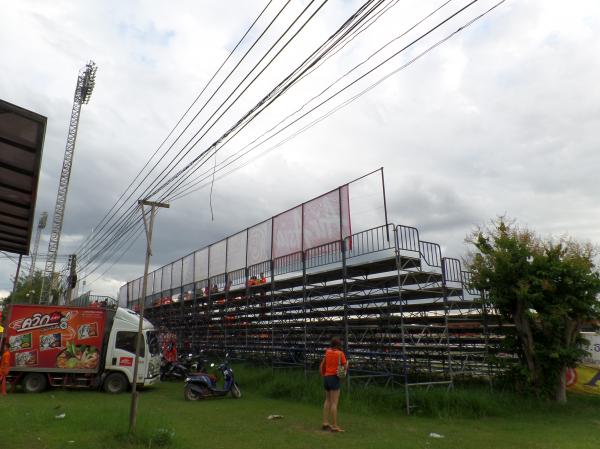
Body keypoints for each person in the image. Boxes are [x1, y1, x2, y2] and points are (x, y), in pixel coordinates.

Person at [319, 337, 348, 432]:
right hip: (334, 378)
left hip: (326, 378)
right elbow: (344, 366)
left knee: (327, 400)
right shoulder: (340, 354)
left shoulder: (327, 352)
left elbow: (323, 363)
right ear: (338, 345)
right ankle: (335, 426)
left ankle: (325, 422)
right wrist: (347, 365)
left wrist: (322, 373)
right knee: (334, 403)